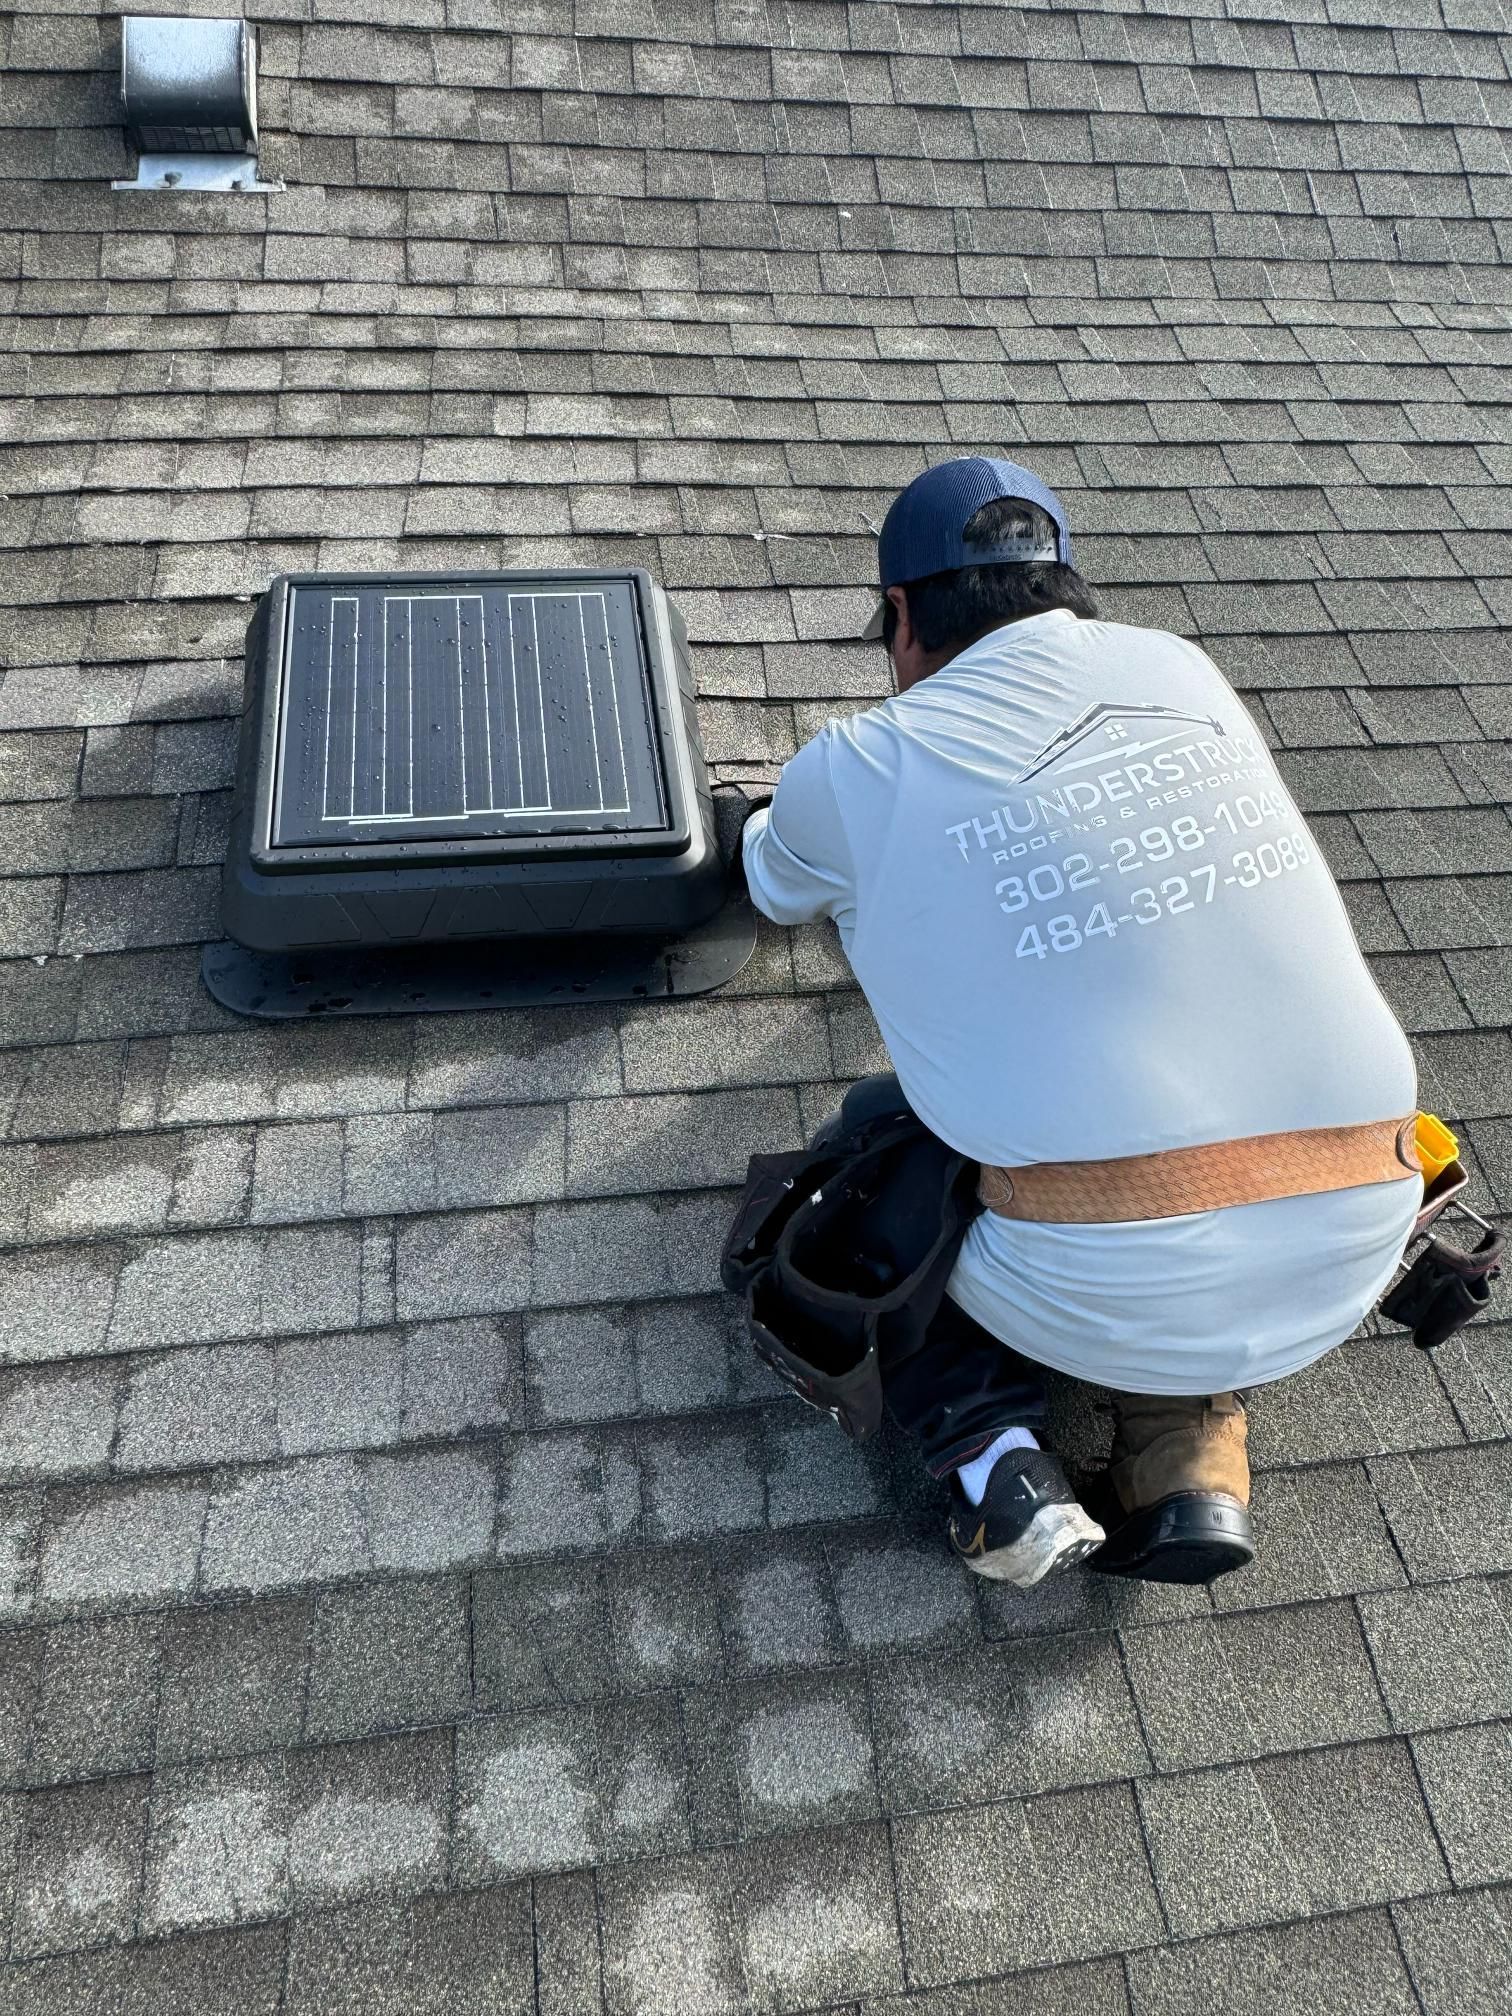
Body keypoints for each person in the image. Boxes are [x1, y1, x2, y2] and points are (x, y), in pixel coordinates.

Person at [739, 457, 1422, 1588]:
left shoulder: (858, 764)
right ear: (1067, 590)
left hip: (1102, 1278)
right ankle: (1191, 1455)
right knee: (1173, 1139)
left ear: (901, 614)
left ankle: (988, 1455)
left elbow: (772, 883)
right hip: (1359, 1226)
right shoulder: (1180, 668)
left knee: (879, 1142)